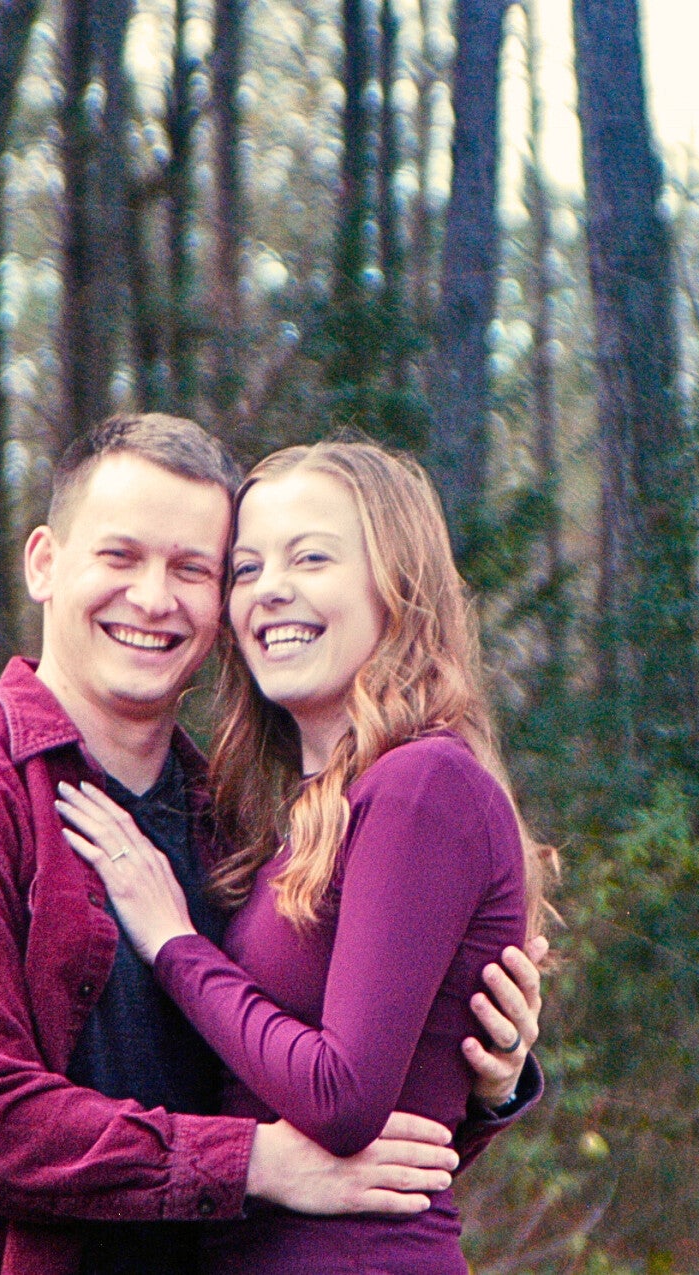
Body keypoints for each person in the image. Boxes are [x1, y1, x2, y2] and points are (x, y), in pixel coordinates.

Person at [0, 416, 547, 1275]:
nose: (153, 598)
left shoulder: (232, 824)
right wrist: (253, 1162)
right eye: (120, 556)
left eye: (194, 569)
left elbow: (342, 1151)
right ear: (44, 563)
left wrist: (481, 1077)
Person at [56, 439, 554, 1274]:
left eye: (310, 557)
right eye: (246, 568)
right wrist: (492, 1087)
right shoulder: (308, 808)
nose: (270, 589)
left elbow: (343, 1097)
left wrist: (175, 943)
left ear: (396, 583)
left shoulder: (421, 785)